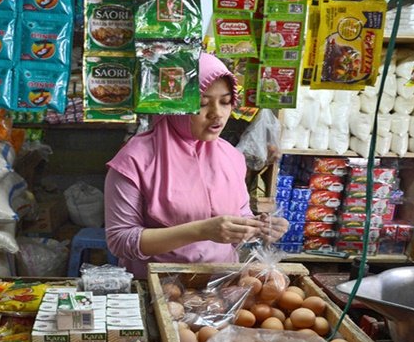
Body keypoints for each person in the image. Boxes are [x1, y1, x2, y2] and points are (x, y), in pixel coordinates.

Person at [104, 52, 289, 278]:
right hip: (158, 285)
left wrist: (258, 227)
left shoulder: (231, 157)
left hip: (220, 283)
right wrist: (201, 230)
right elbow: (120, 240)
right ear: (177, 104)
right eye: (202, 103)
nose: (217, 114)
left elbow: (240, 215)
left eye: (225, 102)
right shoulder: (135, 160)